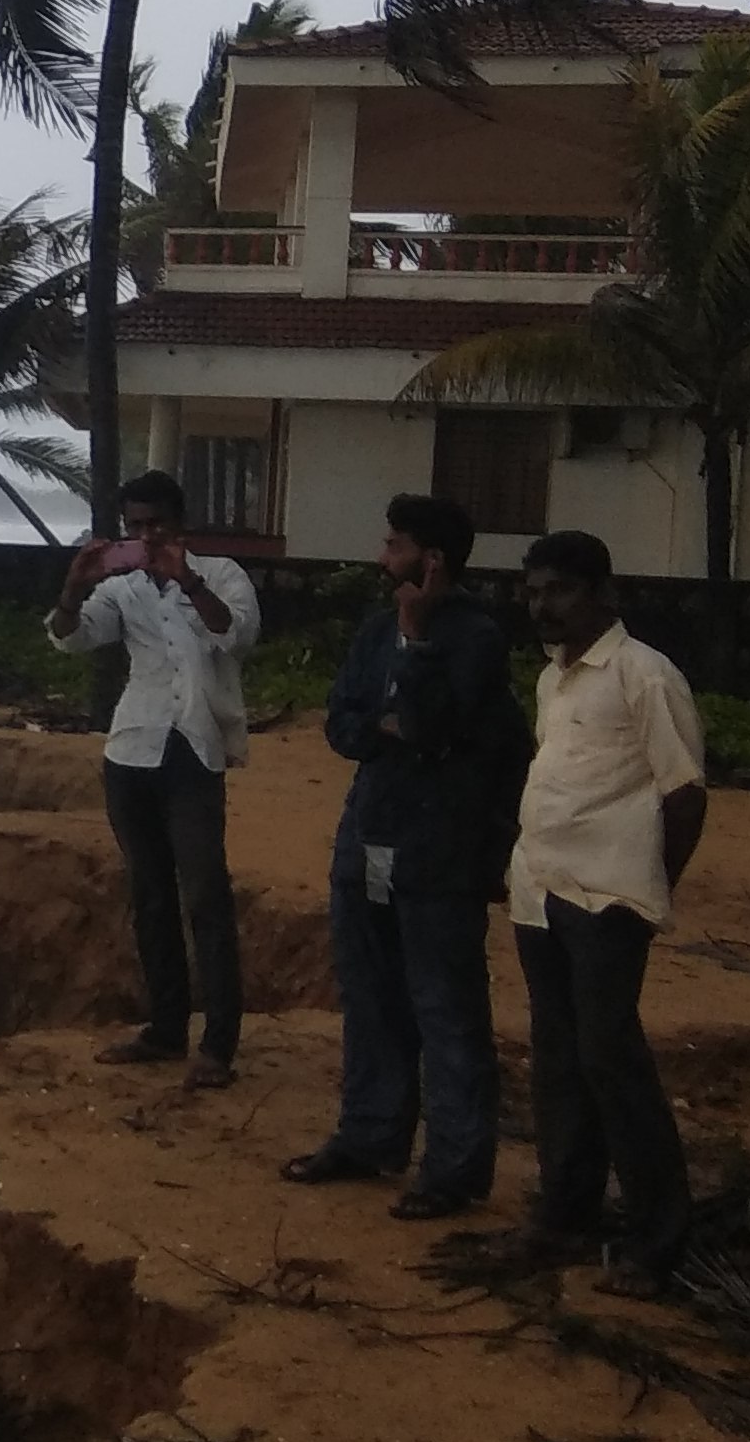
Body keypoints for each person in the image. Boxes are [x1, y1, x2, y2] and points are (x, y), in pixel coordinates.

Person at [288, 493, 526, 1217]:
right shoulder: (372, 631)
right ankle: (370, 1136)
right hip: (370, 835)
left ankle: (454, 1168)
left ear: (432, 560)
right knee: (370, 996)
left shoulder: (476, 639)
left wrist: (416, 650)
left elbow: (427, 725)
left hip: (441, 849)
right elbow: (342, 724)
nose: (381, 557)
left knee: (445, 1008)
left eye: (394, 545)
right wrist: (390, 725)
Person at [506, 529, 711, 1289]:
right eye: (533, 592)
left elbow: (684, 793)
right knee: (558, 1060)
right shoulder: (552, 679)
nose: (543, 606)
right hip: (541, 891)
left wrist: (651, 886)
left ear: (603, 594)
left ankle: (659, 1239)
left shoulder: (644, 675)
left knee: (610, 1061)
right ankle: (567, 1215)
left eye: (559, 590)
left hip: (609, 899)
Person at [51, 470, 260, 1090]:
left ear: (180, 523)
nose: (146, 536)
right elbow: (71, 639)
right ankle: (166, 1029)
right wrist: (73, 589)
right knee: (149, 895)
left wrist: (186, 579)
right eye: (135, 526)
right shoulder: (122, 589)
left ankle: (218, 1044)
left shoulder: (221, 574)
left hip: (195, 750)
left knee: (206, 895)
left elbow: (237, 635)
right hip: (132, 750)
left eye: (156, 524)